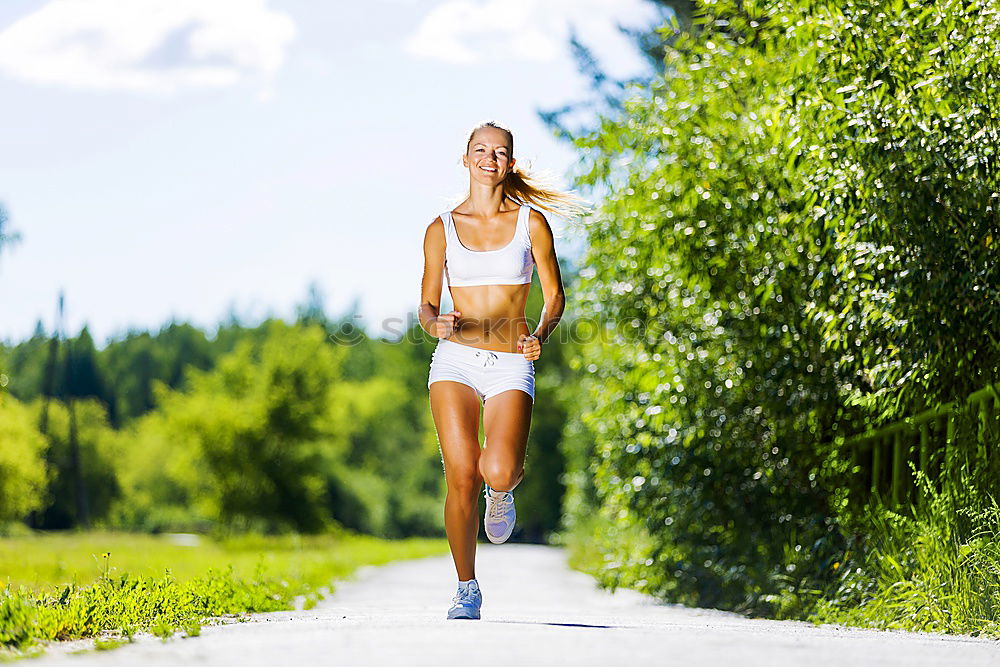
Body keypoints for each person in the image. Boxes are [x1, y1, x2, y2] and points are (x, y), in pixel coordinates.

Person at [418, 120, 588, 620]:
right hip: (454, 362)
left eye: (499, 152)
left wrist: (540, 335)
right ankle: (466, 586)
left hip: (511, 362)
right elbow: (426, 306)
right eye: (480, 150)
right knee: (461, 476)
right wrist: (435, 324)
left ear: (509, 163)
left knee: (499, 469)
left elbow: (555, 297)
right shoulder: (440, 229)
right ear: (465, 159)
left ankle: (501, 493)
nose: (489, 158)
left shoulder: (531, 223)